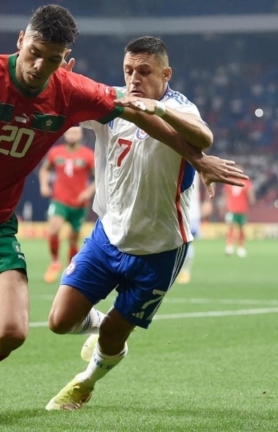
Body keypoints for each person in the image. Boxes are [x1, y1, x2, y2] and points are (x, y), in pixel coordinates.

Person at [0, 5, 238, 414]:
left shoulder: (71, 91)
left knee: (11, 332)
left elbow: (137, 114)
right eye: (34, 53)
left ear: (65, 59)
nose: (39, 66)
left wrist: (197, 160)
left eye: (52, 60)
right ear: (21, 40)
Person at [44, 36, 248, 411]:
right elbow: (65, 101)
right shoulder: (113, 102)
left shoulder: (180, 107)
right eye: (128, 70)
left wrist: (159, 110)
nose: (134, 78)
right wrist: (55, 80)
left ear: (166, 74)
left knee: (113, 337)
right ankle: (102, 324)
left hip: (160, 249)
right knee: (59, 321)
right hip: (108, 237)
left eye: (144, 71)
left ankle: (86, 382)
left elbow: (203, 137)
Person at [38, 126, 95, 283]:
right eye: (69, 132)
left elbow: (99, 177)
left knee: (73, 238)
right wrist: (44, 185)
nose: (72, 135)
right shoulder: (55, 152)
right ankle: (55, 262)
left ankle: (71, 268)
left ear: (81, 135)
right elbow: (44, 169)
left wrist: (88, 192)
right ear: (64, 134)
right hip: (59, 200)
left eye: (75, 132)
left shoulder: (88, 155)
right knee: (54, 229)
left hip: (79, 203)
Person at [223, 170, 254, 258]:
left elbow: (250, 194)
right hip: (231, 209)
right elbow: (225, 194)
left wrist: (252, 199)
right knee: (231, 226)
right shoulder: (229, 181)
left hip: (242, 209)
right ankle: (229, 246)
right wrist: (225, 206)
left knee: (241, 228)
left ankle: (241, 247)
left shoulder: (246, 182)